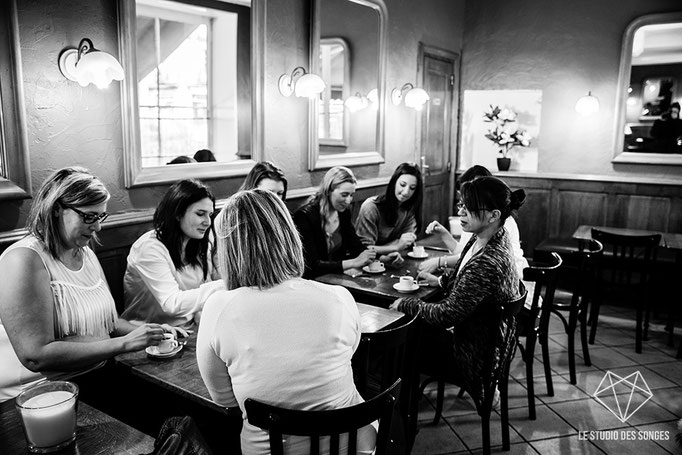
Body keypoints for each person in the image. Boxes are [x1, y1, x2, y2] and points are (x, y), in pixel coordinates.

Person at [197, 189, 375, 455]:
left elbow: (224, 399)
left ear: (229, 250)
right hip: (353, 446)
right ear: (289, 236)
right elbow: (346, 353)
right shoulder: (338, 297)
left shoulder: (218, 307)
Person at [0, 167, 168, 402]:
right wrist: (124, 343)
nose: (98, 226)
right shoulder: (23, 259)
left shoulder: (85, 253)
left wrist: (152, 332)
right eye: (89, 216)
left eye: (101, 216)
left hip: (95, 374)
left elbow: (109, 323)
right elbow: (36, 355)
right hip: (39, 395)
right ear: (57, 208)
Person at [390, 176, 525, 406]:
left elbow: (445, 316)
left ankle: (401, 416)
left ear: (494, 215)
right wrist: (440, 282)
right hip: (485, 337)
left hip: (476, 353)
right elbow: (465, 277)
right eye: (461, 205)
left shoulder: (489, 261)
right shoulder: (489, 237)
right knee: (414, 329)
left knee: (404, 337)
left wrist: (405, 304)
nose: (461, 212)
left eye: (469, 208)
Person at [122, 179, 223, 329]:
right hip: (150, 337)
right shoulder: (149, 248)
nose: (208, 222)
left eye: (210, 215)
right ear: (178, 213)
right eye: (200, 214)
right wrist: (224, 284)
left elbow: (204, 294)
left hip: (189, 331)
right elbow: (171, 303)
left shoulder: (199, 243)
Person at [419, 164, 528, 277]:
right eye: (462, 203)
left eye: (469, 203)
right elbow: (466, 254)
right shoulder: (480, 227)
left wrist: (440, 262)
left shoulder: (498, 228)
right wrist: (444, 235)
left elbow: (474, 262)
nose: (461, 212)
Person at [293, 166, 400, 278]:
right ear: (328, 191)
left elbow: (356, 247)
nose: (348, 201)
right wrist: (353, 263)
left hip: (336, 278)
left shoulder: (343, 213)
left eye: (351, 195)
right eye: (344, 195)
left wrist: (381, 259)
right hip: (313, 281)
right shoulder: (305, 216)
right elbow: (311, 266)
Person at [354, 162, 423, 254]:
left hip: (392, 258)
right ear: (394, 183)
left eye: (412, 188)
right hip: (367, 262)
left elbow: (406, 243)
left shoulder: (409, 208)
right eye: (402, 185)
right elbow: (365, 249)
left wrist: (395, 250)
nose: (406, 192)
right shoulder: (371, 207)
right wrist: (396, 247)